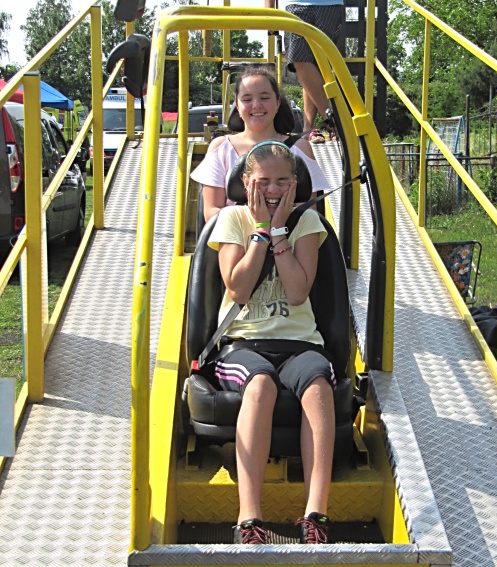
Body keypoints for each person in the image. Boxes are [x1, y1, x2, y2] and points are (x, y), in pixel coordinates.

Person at [208, 141, 335, 544]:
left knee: (318, 385)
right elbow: (238, 289)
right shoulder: (231, 219)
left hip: (300, 342)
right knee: (260, 384)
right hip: (245, 342)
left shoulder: (307, 222)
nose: (274, 190)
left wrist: (280, 232)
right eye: (264, 181)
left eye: (283, 181)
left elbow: (297, 293)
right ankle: (250, 518)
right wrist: (261, 231)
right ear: (246, 182)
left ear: (296, 184)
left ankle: (315, 515)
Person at [191, 67, 329, 222]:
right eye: (247, 99)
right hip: (234, 234)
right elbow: (211, 212)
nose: (256, 105)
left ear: (278, 103)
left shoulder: (300, 149)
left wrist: (274, 229)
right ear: (237, 106)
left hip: (290, 234)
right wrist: (257, 226)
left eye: (264, 98)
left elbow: (308, 213)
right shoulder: (221, 148)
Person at [266, 0, 344, 142]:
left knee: (316, 67)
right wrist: (269, 11)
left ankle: (309, 129)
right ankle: (333, 122)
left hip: (330, 5)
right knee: (300, 61)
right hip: (297, 5)